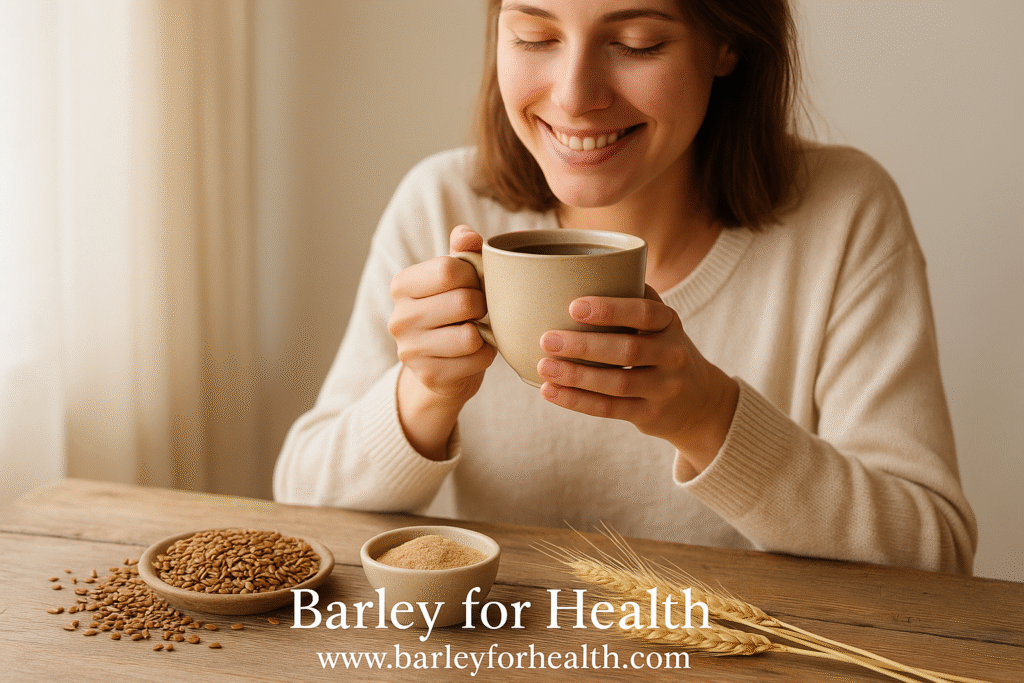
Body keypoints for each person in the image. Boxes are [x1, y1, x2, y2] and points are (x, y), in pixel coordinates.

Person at [273, 0, 977, 574]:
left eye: (638, 43)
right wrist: (422, 396)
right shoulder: (442, 203)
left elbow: (934, 551)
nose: (575, 96)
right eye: (534, 34)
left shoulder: (843, 214)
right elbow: (300, 501)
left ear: (727, 44)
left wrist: (709, 417)